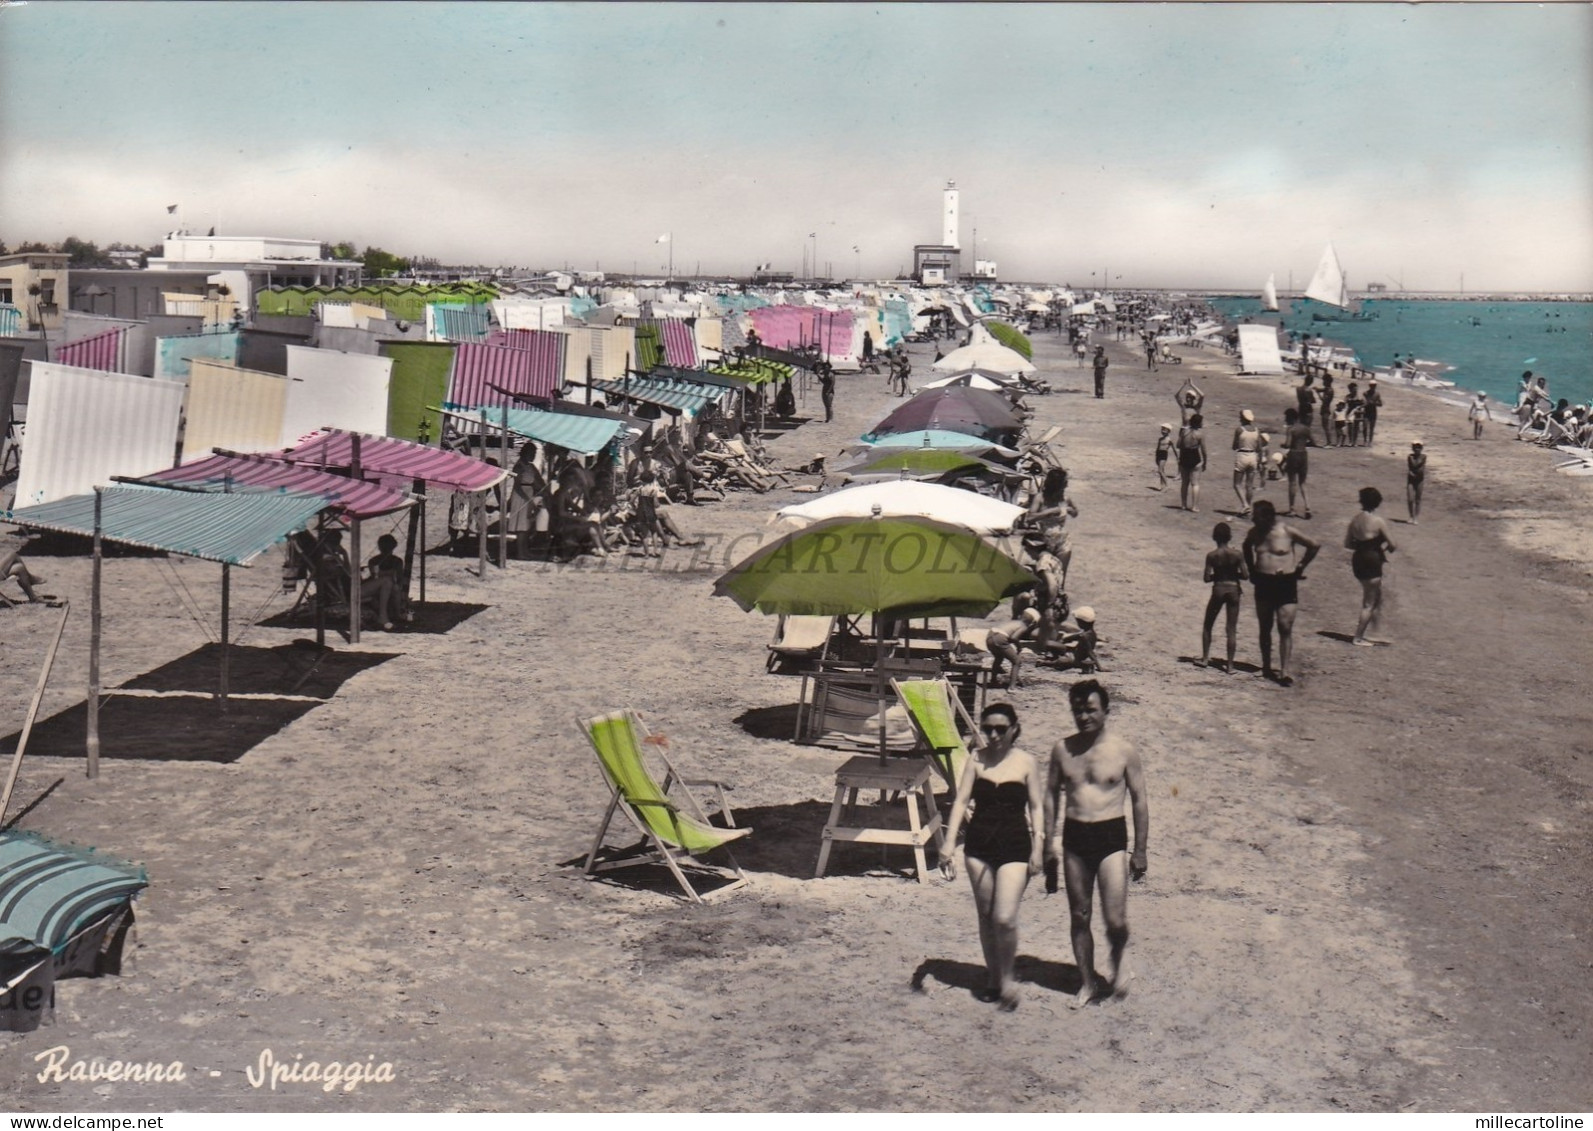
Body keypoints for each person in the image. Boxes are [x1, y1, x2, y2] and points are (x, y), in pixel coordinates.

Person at [1044, 680, 1149, 1008]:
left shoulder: (1124, 751)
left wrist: (1140, 849)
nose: (1084, 717)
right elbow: (1050, 796)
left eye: (1090, 710)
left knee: (1115, 920)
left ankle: (1119, 962)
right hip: (1075, 838)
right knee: (1080, 915)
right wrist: (1047, 844)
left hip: (1110, 837)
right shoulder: (1062, 750)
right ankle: (1088, 981)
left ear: (1106, 711)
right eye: (1078, 710)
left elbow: (1139, 799)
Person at [941, 702, 1045, 1011]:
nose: (994, 735)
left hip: (1015, 846)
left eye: (1001, 729)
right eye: (988, 729)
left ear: (1014, 729)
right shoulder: (976, 760)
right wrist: (948, 843)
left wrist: (1038, 846)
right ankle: (994, 977)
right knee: (986, 916)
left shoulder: (1027, 763)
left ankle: (1009, 976)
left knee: (1004, 918)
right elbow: (961, 802)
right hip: (979, 847)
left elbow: (1037, 807)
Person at [1242, 500, 1318, 685]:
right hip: (1263, 582)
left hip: (1285, 583)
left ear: (1268, 517)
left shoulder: (1287, 531)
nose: (1253, 520)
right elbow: (1246, 547)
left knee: (1285, 627)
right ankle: (1266, 667)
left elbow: (1314, 545)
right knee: (1265, 626)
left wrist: (1301, 566)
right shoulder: (1255, 533)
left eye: (1256, 517)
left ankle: (1284, 671)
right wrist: (1251, 570)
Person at [1345, 486, 1397, 646]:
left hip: (1358, 560)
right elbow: (1393, 545)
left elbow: (1348, 544)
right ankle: (1358, 637)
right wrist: (1381, 549)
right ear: (1377, 502)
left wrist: (1364, 546)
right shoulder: (1378, 521)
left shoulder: (1355, 520)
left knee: (1376, 596)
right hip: (1372, 561)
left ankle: (1374, 632)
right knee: (1369, 603)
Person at [1199, 522, 1248, 673]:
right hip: (1233, 589)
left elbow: (1207, 578)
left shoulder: (1212, 556)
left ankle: (1205, 659)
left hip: (1219, 588)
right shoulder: (1237, 554)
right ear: (1230, 537)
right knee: (1231, 629)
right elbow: (1245, 575)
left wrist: (1219, 575)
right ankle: (1230, 666)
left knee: (1208, 625)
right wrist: (1232, 574)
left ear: (1214, 537)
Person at [1023, 467, 1078, 584]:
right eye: (1065, 483)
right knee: (1044, 570)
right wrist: (1050, 512)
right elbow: (1029, 518)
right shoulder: (1040, 498)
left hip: (1062, 540)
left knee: (1061, 571)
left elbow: (1075, 513)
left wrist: (1070, 510)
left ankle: (1060, 592)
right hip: (1042, 540)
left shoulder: (1065, 499)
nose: (1067, 485)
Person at [506, 441, 547, 561]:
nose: (533, 455)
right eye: (532, 453)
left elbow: (538, 481)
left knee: (527, 525)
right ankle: (520, 552)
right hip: (521, 496)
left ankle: (525, 550)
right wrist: (528, 500)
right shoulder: (519, 466)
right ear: (526, 452)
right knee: (521, 526)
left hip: (529, 494)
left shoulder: (530, 466)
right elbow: (517, 485)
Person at [987, 607, 1042, 689]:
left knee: (999, 658)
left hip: (990, 636)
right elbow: (1014, 638)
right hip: (1000, 638)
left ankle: (993, 680)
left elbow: (1008, 635)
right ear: (1032, 623)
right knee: (1016, 662)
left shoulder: (1014, 622)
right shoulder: (1023, 626)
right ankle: (1012, 687)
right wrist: (1019, 647)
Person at [365, 533, 407, 631]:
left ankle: (396, 614)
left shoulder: (397, 561)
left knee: (395, 588)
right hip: (377, 588)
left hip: (392, 588)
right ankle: (388, 615)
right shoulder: (374, 561)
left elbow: (399, 579)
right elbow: (374, 577)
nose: (386, 550)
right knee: (390, 584)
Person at [1281, 407, 1313, 519]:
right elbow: (1312, 441)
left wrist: (1283, 445)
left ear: (1291, 418)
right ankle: (1308, 507)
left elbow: (1288, 444)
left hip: (1294, 454)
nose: (1286, 420)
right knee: (1303, 483)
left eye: (1287, 418)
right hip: (1303, 454)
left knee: (1292, 482)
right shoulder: (1306, 428)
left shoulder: (1291, 429)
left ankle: (1292, 509)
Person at [1231, 409, 1262, 516]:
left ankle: (1245, 505)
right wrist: (1260, 461)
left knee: (1237, 484)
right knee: (1249, 485)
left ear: (1243, 418)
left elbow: (1234, 446)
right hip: (1253, 457)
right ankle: (1247, 508)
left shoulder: (1239, 430)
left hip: (1242, 456)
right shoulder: (1257, 430)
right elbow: (1259, 448)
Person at [1176, 412, 1208, 513]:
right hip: (1195, 457)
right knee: (1195, 484)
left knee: (1184, 483)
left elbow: (1178, 445)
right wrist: (1205, 462)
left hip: (1184, 456)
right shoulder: (1200, 434)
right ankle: (1194, 506)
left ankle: (1183, 504)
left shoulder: (1184, 432)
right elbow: (1203, 450)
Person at [1406, 441, 1427, 523]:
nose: (1417, 449)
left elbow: (1419, 467)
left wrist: (1413, 472)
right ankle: (1411, 516)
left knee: (1418, 499)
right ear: (1413, 448)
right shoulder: (1410, 457)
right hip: (1411, 480)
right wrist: (1411, 473)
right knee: (1410, 499)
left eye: (1419, 447)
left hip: (1419, 480)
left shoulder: (1423, 457)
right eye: (1415, 447)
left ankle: (1416, 517)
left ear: (1421, 448)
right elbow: (1410, 467)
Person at [1153, 423, 1175, 491]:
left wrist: (1178, 458)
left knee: (1160, 470)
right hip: (1159, 454)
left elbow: (1174, 449)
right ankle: (1162, 485)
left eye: (1165, 430)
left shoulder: (1169, 440)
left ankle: (1167, 485)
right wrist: (1156, 456)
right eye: (1162, 429)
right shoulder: (1160, 439)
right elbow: (1158, 448)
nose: (1163, 431)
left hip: (1164, 454)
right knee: (1162, 471)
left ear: (1168, 431)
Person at [1361, 380, 1382, 445]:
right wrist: (1366, 403)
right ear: (1369, 386)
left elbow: (1380, 404)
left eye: (1374, 385)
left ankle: (1370, 441)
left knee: (1371, 428)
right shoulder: (1365, 393)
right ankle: (1365, 440)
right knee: (1365, 426)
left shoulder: (1377, 394)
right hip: (1366, 411)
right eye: (1372, 385)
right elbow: (1363, 402)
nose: (1373, 387)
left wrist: (1374, 403)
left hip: (1373, 412)